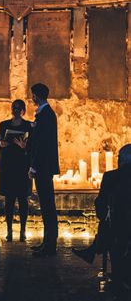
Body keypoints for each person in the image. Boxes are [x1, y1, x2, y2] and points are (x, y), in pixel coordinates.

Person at [73, 144, 131, 296]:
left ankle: (97, 251)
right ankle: (96, 249)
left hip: (117, 228)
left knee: (108, 226)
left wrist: (104, 217)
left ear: (122, 160)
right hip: (123, 224)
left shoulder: (111, 176)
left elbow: (100, 203)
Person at [0, 99, 32, 242]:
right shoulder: (4, 125)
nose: (15, 110)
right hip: (8, 166)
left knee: (23, 200)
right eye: (13, 108)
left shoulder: (28, 126)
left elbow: (33, 146)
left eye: (18, 108)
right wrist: (1, 144)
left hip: (22, 166)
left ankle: (23, 231)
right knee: (9, 200)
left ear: (23, 111)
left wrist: (24, 147)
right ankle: (9, 231)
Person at [29, 83, 60, 257]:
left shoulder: (46, 115)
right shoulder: (44, 113)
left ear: (36, 96)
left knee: (48, 206)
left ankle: (50, 246)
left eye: (32, 95)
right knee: (46, 205)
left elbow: (42, 145)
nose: (31, 98)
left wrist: (34, 166)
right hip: (43, 166)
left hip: (43, 167)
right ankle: (47, 242)